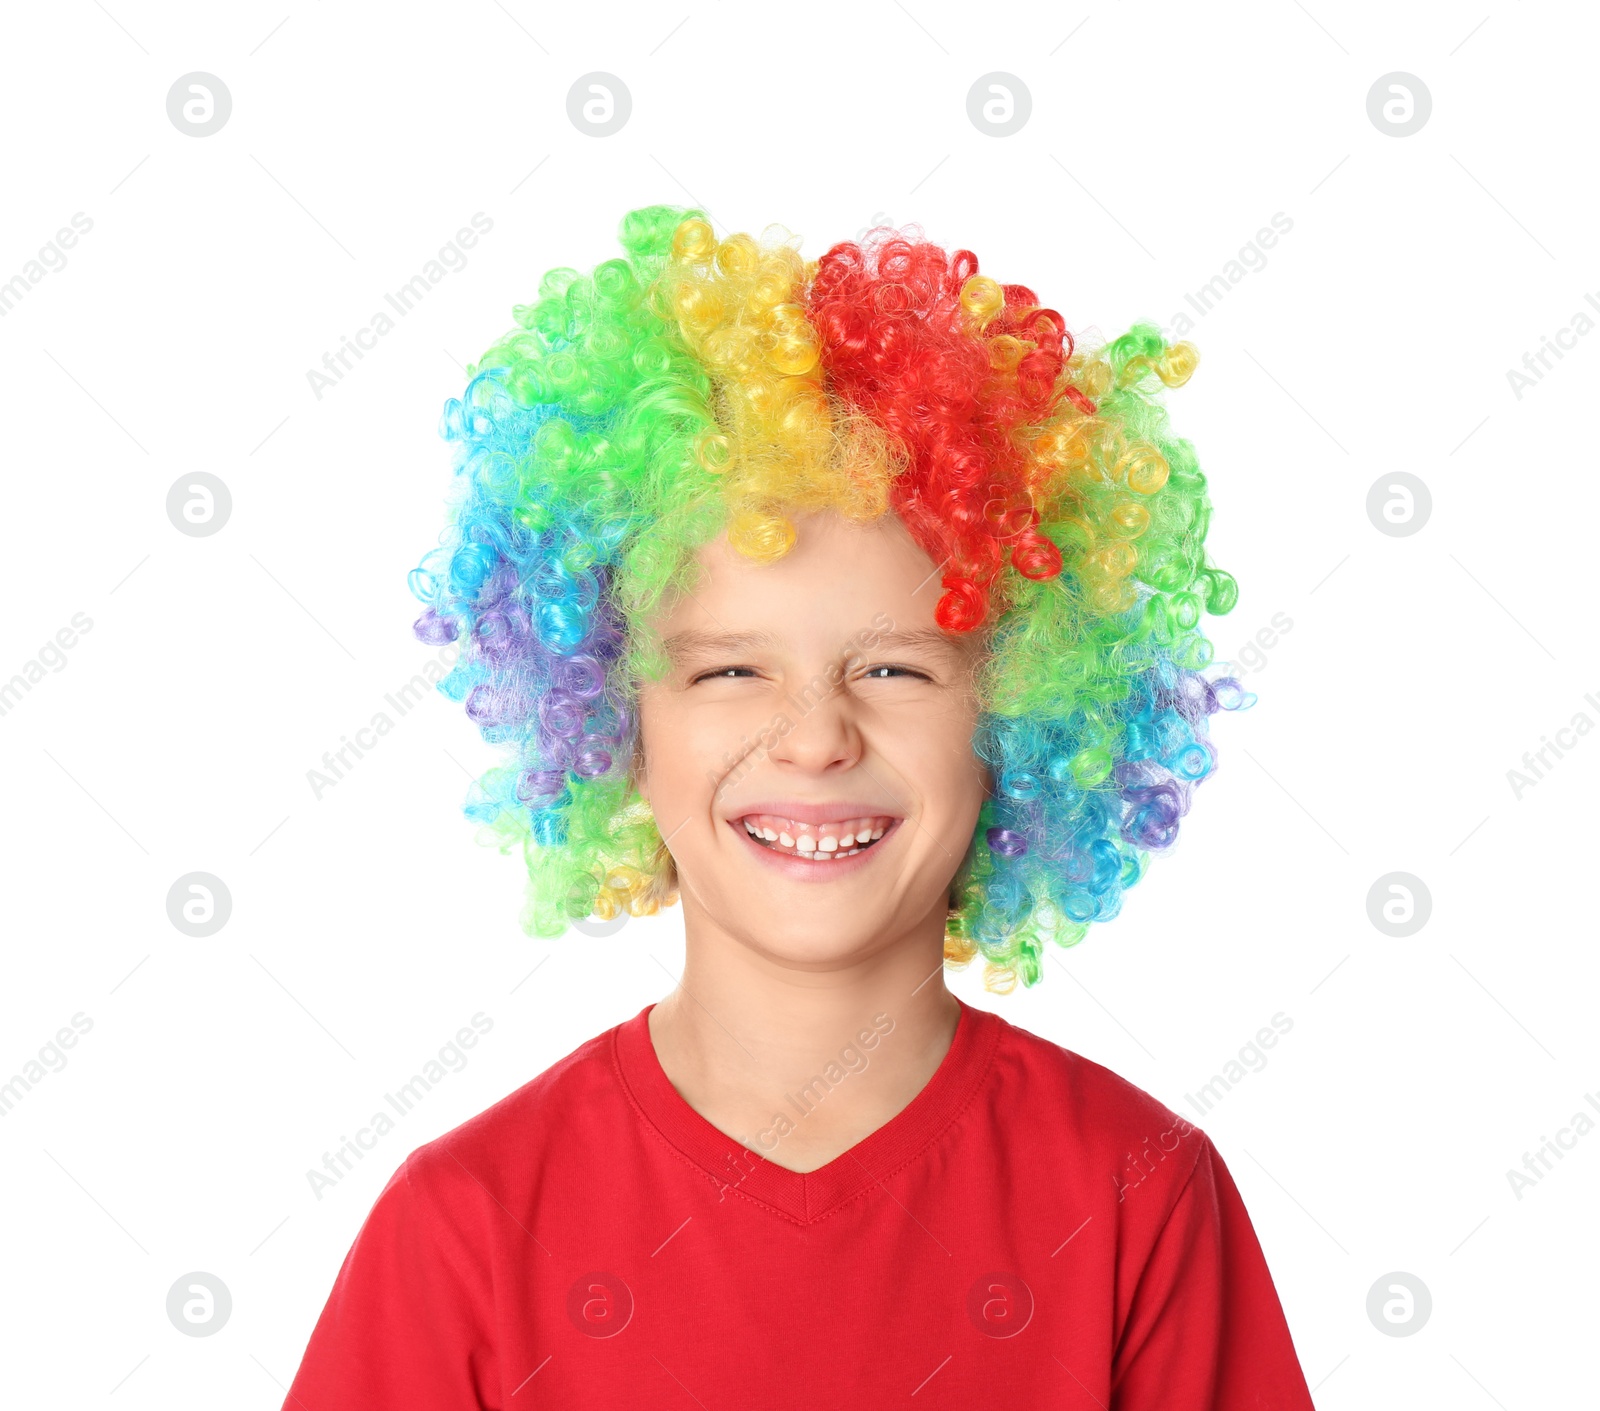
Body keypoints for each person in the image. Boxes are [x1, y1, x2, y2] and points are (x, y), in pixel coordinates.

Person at [282, 206, 1314, 1408]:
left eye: (895, 668)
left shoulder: (1135, 1199)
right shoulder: (466, 1227)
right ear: (615, 721)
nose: (818, 735)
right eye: (731, 669)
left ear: (1022, 717)